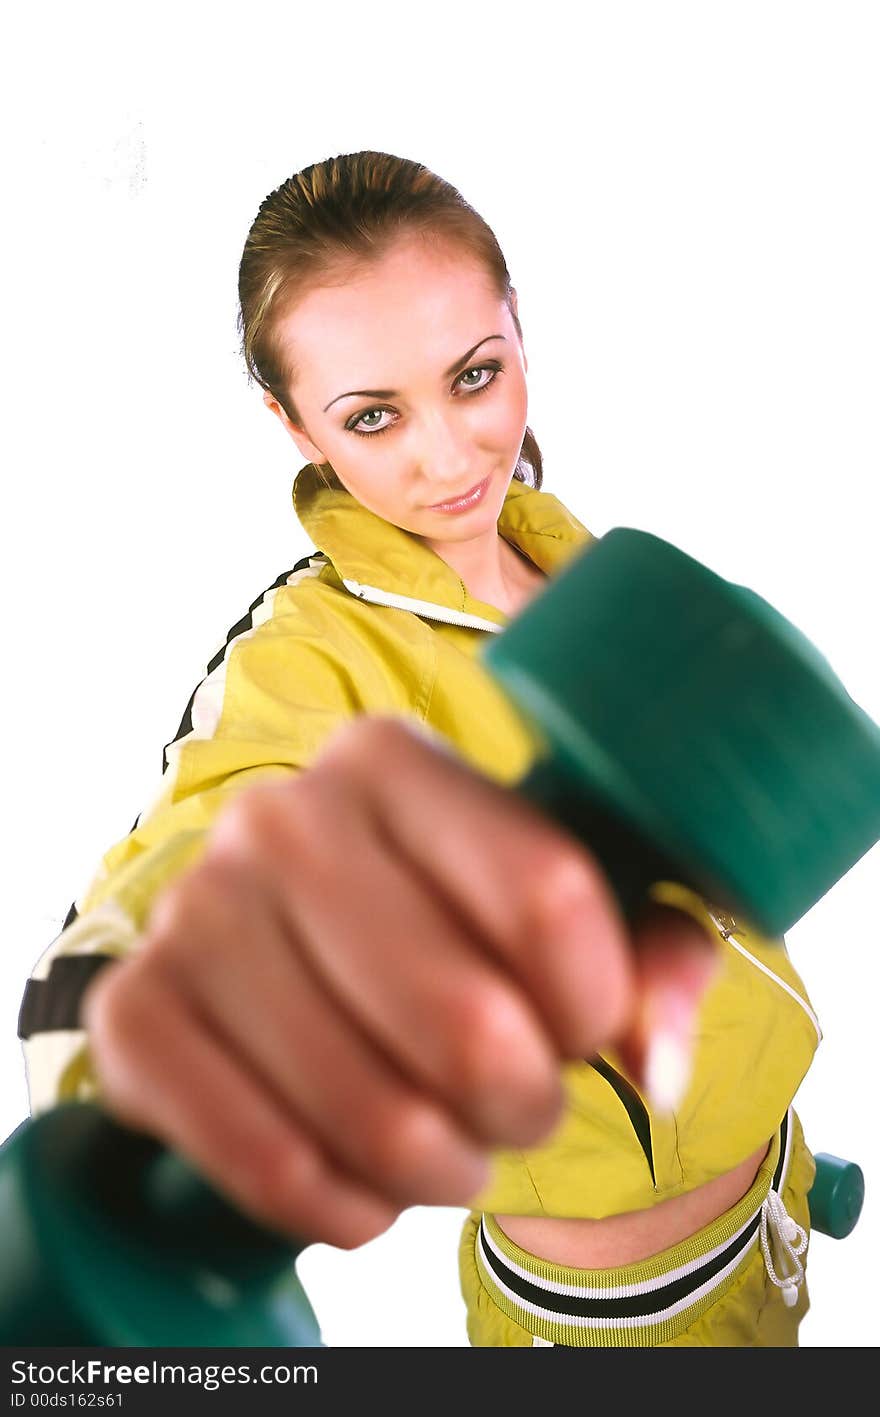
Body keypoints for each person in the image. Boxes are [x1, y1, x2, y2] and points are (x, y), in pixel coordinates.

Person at [17, 150, 820, 1347]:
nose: (450, 458)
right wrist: (121, 1045)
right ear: (292, 424)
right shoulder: (306, 655)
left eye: (475, 376)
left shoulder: (585, 567)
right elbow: (192, 850)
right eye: (374, 416)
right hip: (601, 1319)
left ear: (517, 339)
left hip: (775, 1208)